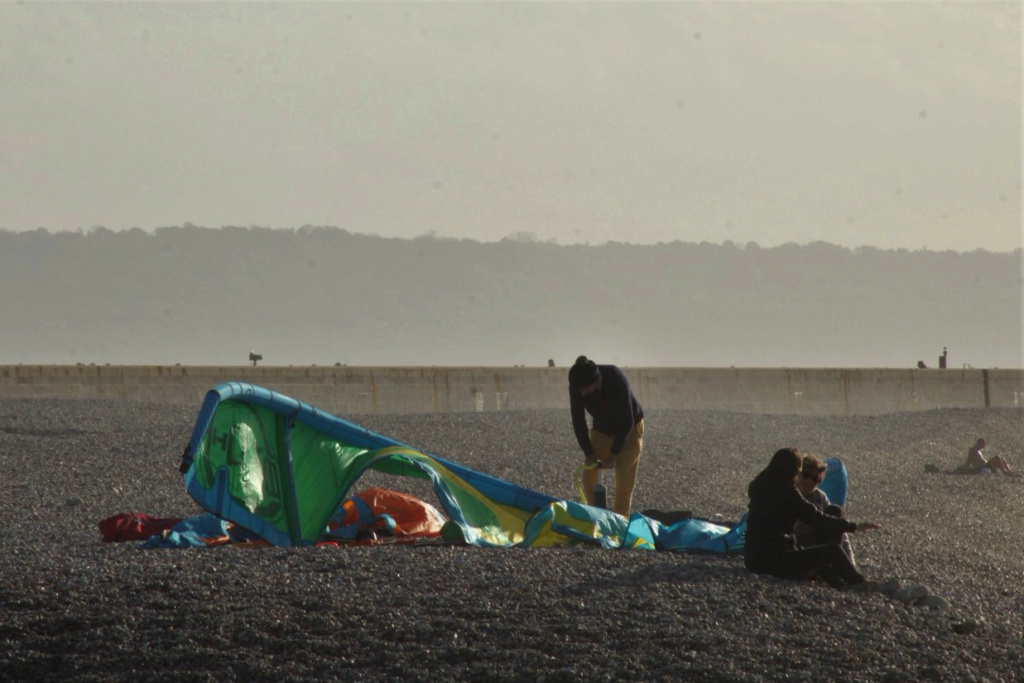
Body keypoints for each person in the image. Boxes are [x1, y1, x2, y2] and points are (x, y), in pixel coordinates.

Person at [744, 447, 881, 590]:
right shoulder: (787, 492)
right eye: (800, 471)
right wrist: (853, 526)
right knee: (831, 551)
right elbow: (815, 517)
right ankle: (860, 584)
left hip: (753, 559)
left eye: (815, 478)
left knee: (819, 558)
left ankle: (840, 584)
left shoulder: (760, 486)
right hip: (773, 561)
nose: (799, 475)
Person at [568, 355, 644, 517]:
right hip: (601, 431)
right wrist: (588, 453)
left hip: (629, 430)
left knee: (624, 481)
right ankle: (596, 516)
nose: (582, 394)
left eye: (585, 389)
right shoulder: (577, 386)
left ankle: (620, 522)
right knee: (589, 475)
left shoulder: (615, 378)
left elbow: (627, 420)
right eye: (579, 390)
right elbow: (578, 419)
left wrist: (614, 454)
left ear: (595, 381)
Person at [793, 454, 856, 567]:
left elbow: (841, 531)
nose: (809, 481)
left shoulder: (819, 497)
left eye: (815, 478)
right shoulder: (786, 495)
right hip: (795, 550)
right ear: (797, 474)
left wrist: (851, 563)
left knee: (834, 511)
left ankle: (836, 564)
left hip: (818, 547)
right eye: (806, 475)